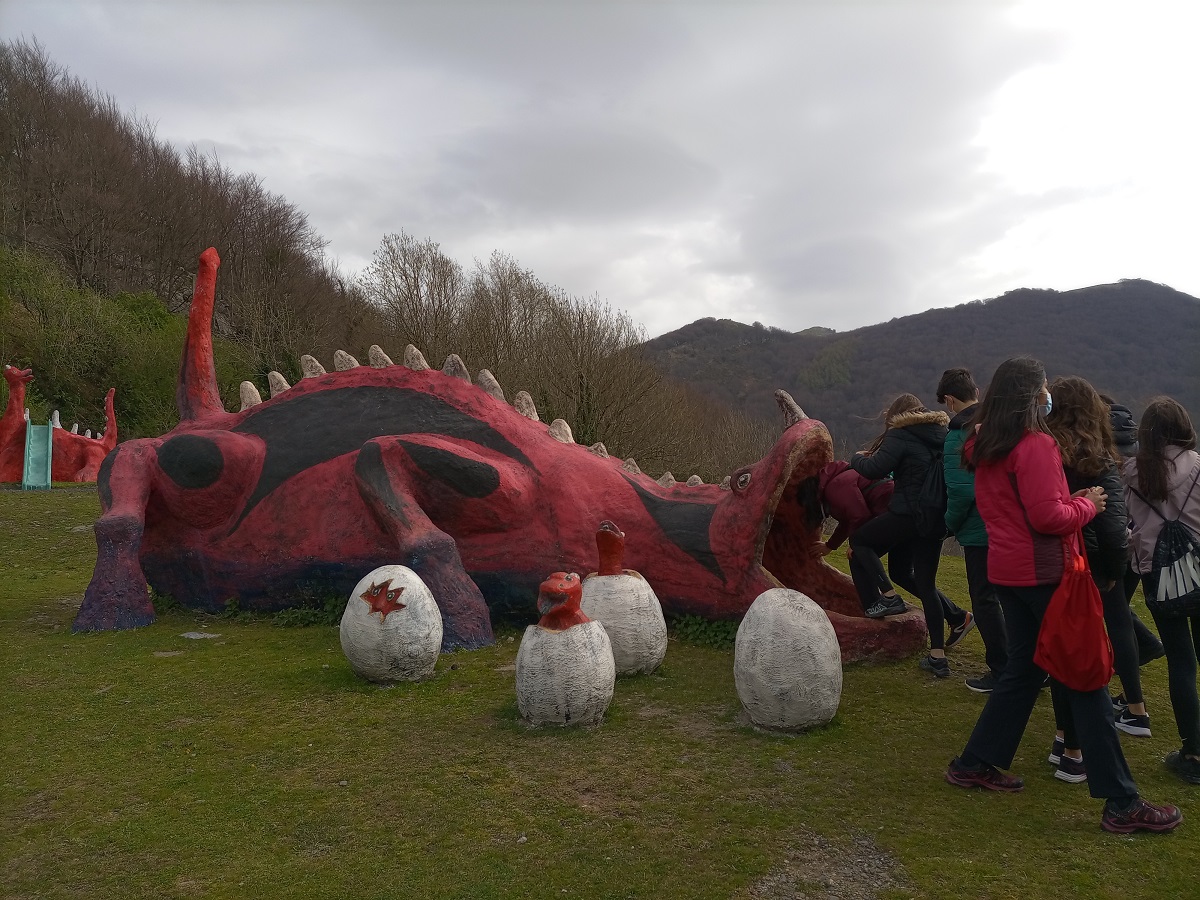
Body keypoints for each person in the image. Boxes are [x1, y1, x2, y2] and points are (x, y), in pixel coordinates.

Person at [944, 357, 1181, 834]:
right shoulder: (1035, 445)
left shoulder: (984, 445)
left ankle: (976, 762)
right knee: (1087, 676)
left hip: (1008, 572)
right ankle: (1121, 801)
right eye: (1043, 388)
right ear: (1033, 397)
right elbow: (1048, 518)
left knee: (1024, 671)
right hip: (1048, 573)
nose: (1047, 395)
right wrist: (1088, 504)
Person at [1043, 376, 1150, 786]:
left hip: (1054, 563)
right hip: (1089, 567)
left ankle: (1061, 737)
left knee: (1059, 649)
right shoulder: (1099, 459)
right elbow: (1112, 526)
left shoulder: (1046, 452)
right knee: (1093, 649)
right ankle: (1081, 749)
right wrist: (1112, 571)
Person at [848, 394, 972, 677]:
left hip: (906, 513)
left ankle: (888, 596)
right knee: (921, 581)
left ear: (897, 415)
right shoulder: (944, 432)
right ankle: (938, 657)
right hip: (934, 519)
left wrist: (857, 458)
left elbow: (873, 470)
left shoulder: (901, 434)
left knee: (860, 541)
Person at [1123, 397, 1200, 785]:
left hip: (1160, 575)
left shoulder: (1131, 471)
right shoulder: (1198, 466)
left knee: (1181, 662)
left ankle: (1193, 752)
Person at [810, 460, 964, 622]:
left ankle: (878, 604)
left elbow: (859, 515)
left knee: (858, 557)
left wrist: (854, 543)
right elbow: (848, 518)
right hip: (908, 514)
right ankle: (959, 617)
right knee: (901, 573)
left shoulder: (835, 486)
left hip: (895, 515)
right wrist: (830, 545)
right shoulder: (846, 475)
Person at [938, 367, 1008, 693]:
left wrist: (948, 525)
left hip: (980, 530)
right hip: (1012, 525)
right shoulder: (1001, 425)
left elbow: (963, 491)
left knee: (984, 600)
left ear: (950, 399)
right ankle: (1031, 665)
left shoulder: (957, 434)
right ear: (977, 392)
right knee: (1013, 598)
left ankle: (1002, 669)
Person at [1100, 393, 1166, 668]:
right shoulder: (1145, 455)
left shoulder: (1108, 458)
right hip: (1141, 542)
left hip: (1118, 540)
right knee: (1117, 606)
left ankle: (1138, 652)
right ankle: (1142, 648)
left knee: (1113, 609)